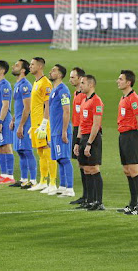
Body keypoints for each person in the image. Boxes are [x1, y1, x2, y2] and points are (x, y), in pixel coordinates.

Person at [115, 70, 138, 215]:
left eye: (120, 79)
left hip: (132, 136)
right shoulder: (124, 98)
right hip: (123, 136)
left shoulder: (134, 99)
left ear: (128, 82)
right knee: (127, 170)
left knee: (134, 171)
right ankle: (133, 204)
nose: (118, 81)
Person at [73, 75, 105, 211]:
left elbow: (96, 124)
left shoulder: (96, 101)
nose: (80, 85)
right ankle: (90, 200)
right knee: (86, 169)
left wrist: (89, 143)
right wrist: (77, 142)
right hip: (84, 138)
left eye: (83, 83)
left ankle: (99, 202)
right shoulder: (84, 101)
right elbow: (81, 123)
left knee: (93, 168)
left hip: (93, 138)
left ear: (91, 85)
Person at [28, 57, 58, 192]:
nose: (30, 66)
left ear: (40, 67)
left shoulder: (45, 83)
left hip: (43, 123)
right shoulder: (36, 82)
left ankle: (52, 183)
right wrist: (33, 125)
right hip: (36, 123)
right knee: (40, 153)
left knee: (47, 151)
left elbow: (48, 105)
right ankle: (42, 181)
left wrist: (44, 124)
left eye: (32, 64)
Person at [47, 64, 75, 197]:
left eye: (53, 71)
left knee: (64, 159)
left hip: (61, 131)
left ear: (59, 75)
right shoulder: (54, 90)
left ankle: (70, 188)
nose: (50, 72)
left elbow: (67, 110)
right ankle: (63, 186)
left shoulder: (63, 90)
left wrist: (64, 131)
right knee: (59, 159)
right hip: (55, 131)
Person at [9, 59, 37, 188]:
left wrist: (21, 125)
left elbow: (27, 107)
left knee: (27, 151)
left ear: (23, 70)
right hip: (19, 121)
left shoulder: (25, 85)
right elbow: (19, 106)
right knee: (20, 151)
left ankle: (34, 180)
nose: (13, 67)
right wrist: (14, 119)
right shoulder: (18, 85)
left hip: (25, 123)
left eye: (16, 65)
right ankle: (23, 179)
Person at [68, 67, 87, 204]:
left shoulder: (84, 96)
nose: (70, 80)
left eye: (73, 77)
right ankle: (85, 195)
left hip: (83, 130)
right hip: (76, 128)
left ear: (81, 79)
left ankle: (90, 196)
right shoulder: (75, 93)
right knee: (80, 163)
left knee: (87, 165)